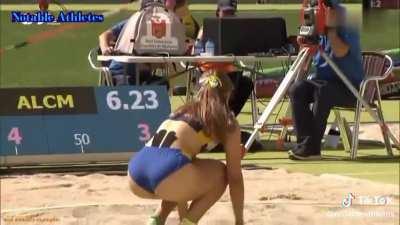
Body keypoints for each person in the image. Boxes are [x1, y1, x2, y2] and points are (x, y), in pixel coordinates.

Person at [127, 71, 244, 225]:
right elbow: (235, 178)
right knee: (222, 173)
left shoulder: (180, 111)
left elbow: (179, 167)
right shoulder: (227, 121)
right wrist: (239, 221)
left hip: (136, 172)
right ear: (228, 95)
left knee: (185, 170)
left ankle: (157, 218)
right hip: (169, 171)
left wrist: (183, 216)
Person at [288, 1, 363, 160]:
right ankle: (305, 144)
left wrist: (331, 31)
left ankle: (312, 148)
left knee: (323, 92)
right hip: (321, 82)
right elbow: (308, 63)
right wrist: (305, 45)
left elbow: (341, 52)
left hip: (349, 87)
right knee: (297, 89)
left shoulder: (345, 18)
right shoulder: (314, 15)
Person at [196, 0, 263, 151]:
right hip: (208, 74)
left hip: (230, 75)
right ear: (217, 12)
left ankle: (224, 126)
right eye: (225, 12)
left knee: (247, 83)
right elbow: (198, 53)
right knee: (226, 83)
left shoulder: (237, 30)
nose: (228, 16)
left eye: (231, 13)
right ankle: (216, 130)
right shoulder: (206, 29)